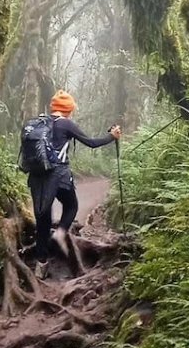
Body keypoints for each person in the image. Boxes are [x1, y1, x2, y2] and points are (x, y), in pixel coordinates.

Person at [28, 90, 121, 280]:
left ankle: (41, 266)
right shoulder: (66, 123)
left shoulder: (39, 123)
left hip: (37, 177)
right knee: (71, 205)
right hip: (59, 175)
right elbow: (91, 143)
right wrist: (112, 136)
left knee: (43, 218)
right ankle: (61, 234)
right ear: (68, 109)